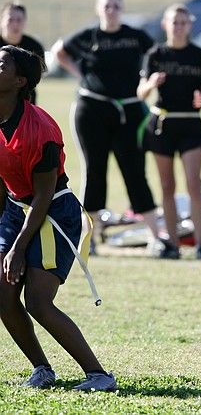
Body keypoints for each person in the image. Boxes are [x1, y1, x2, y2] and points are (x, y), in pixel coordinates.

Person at [0, 45, 116, 391]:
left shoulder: (40, 129)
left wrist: (18, 249)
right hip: (16, 208)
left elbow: (44, 194)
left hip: (53, 213)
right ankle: (42, 369)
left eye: (1, 64)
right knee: (3, 296)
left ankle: (99, 375)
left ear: (20, 80)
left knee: (37, 301)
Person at [51, 0, 160, 254]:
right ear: (99, 9)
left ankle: (156, 237)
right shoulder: (89, 36)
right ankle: (90, 238)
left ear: (122, 9)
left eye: (116, 6)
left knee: (134, 171)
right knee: (95, 170)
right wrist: (81, 74)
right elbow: (59, 51)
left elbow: (157, 56)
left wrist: (148, 81)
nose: (111, 11)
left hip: (129, 112)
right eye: (107, 6)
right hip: (92, 111)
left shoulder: (135, 36)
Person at [137, 4, 201, 260]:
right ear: (165, 24)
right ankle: (172, 244)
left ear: (189, 25)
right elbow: (141, 92)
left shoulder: (200, 55)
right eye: (174, 22)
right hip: (163, 124)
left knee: (194, 184)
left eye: (183, 22)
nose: (179, 26)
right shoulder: (156, 54)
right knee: (167, 186)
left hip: (190, 123)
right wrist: (151, 83)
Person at [0, 1, 45, 104]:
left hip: (25, 101)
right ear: (2, 21)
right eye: (10, 19)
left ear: (25, 22)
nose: (15, 24)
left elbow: (36, 77)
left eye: (19, 20)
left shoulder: (34, 47)